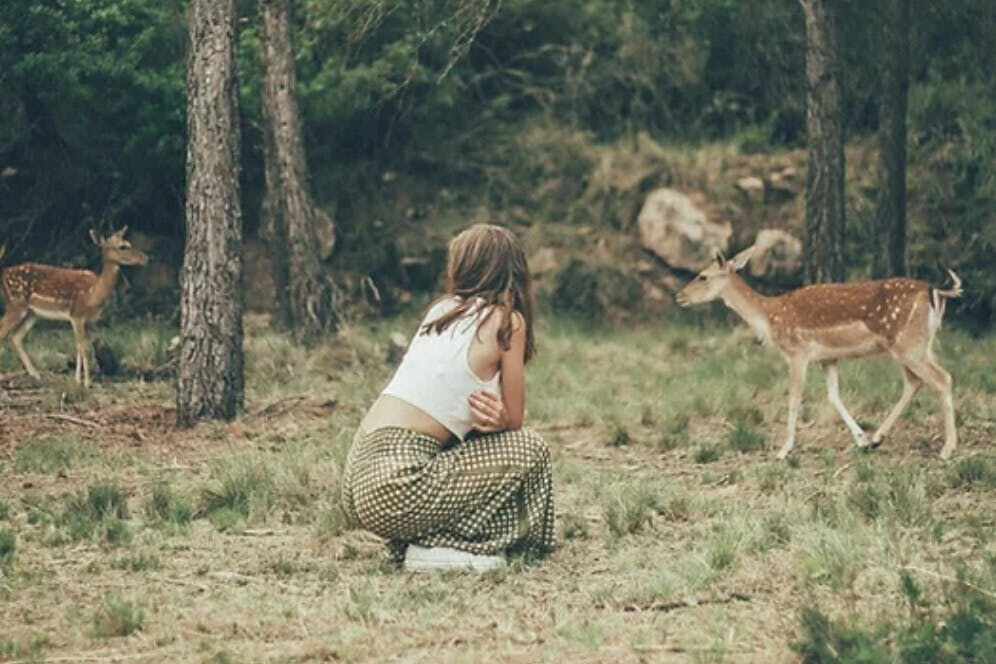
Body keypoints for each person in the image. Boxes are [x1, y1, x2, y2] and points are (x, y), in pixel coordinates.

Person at [341, 224, 554, 571]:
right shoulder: (508, 323)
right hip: (395, 484)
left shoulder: (440, 312)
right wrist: (501, 422)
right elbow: (515, 423)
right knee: (530, 449)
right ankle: (450, 548)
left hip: (358, 475)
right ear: (515, 276)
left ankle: (422, 542)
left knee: (463, 446)